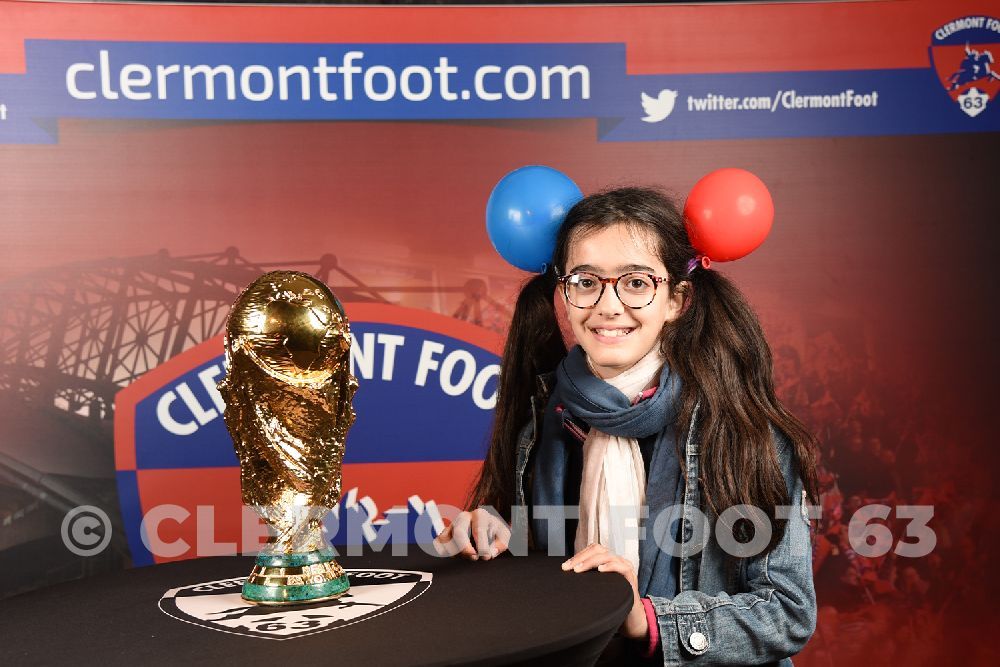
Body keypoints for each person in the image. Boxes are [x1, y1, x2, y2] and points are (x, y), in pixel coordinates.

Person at [435, 187, 819, 665]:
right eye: (586, 281)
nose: (609, 306)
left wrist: (645, 617)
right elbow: (544, 581)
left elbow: (787, 610)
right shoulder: (540, 421)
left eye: (636, 282)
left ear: (677, 299)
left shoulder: (743, 433)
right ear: (563, 292)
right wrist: (494, 538)